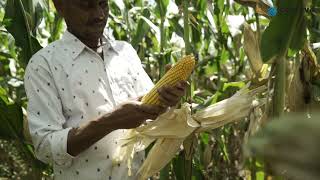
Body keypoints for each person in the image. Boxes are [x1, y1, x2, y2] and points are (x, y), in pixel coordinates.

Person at [23, 0, 188, 179]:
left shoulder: (125, 53)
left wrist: (167, 100)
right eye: (87, 6)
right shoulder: (44, 65)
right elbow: (45, 148)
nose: (99, 15)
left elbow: (152, 119)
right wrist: (110, 121)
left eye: (103, 4)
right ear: (60, 6)